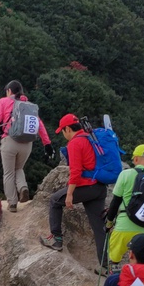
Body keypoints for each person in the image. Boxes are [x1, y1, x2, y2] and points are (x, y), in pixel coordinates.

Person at [40, 114, 108, 266]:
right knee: (99, 227)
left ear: (68, 128)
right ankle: (107, 266)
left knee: (55, 200)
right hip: (100, 187)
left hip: (86, 186)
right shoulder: (91, 138)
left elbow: (76, 172)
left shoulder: (75, 143)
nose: (63, 134)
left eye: (63, 131)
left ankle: (56, 239)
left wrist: (69, 194)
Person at [0, 80, 55, 211]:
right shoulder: (29, 106)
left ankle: (12, 203)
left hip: (10, 141)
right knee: (19, 169)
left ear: (9, 91)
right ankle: (23, 188)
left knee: (8, 173)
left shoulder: (4, 101)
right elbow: (40, 125)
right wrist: (47, 143)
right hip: (27, 144)